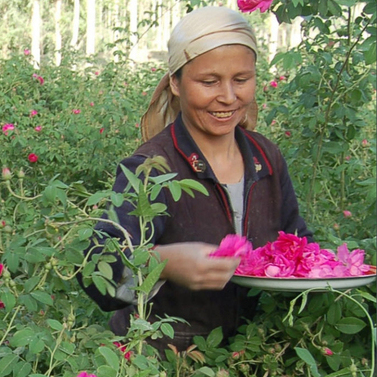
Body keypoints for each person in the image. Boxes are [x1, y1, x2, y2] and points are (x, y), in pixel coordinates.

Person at [77, 6, 313, 355]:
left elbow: (298, 243)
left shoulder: (266, 158)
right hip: (168, 358)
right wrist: (163, 263)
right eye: (209, 81)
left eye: (241, 79)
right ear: (175, 82)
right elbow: (99, 279)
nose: (229, 97)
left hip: (255, 353)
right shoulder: (151, 168)